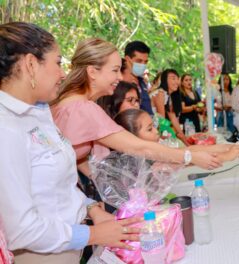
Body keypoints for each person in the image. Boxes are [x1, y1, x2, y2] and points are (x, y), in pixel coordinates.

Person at [0, 22, 143, 263]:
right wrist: (93, 234)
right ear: (31, 64)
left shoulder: (39, 111)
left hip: (73, 245)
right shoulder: (6, 128)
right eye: (57, 62)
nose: (63, 73)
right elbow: (22, 230)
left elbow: (60, 187)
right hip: (42, 255)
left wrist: (92, 209)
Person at [51, 38, 221, 179]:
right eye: (115, 70)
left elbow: (76, 157)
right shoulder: (83, 108)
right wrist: (190, 156)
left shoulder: (68, 101)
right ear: (93, 72)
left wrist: (96, 192)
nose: (119, 77)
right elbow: (139, 147)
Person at [114, 109, 239, 161]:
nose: (156, 131)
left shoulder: (153, 152)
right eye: (149, 129)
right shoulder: (148, 160)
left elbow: (188, 150)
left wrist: (229, 146)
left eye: (154, 126)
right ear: (132, 138)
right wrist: (226, 155)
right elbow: (187, 158)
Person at [150, 69, 190, 144]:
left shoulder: (168, 95)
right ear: (164, 80)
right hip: (152, 131)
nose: (177, 82)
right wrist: (175, 136)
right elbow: (161, 119)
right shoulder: (160, 93)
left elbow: (173, 117)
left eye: (177, 79)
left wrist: (183, 137)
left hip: (158, 129)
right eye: (173, 78)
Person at [123, 41, 153, 116]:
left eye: (145, 62)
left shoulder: (142, 82)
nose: (143, 65)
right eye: (139, 61)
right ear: (127, 59)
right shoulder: (118, 82)